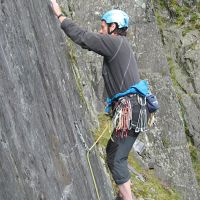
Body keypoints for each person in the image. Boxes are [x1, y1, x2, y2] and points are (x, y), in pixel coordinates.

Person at [51, 1, 141, 199]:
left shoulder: (115, 42)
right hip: (136, 109)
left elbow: (83, 38)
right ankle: (123, 195)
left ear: (113, 27)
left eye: (102, 27)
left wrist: (60, 16)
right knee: (115, 152)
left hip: (131, 109)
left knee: (116, 158)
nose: (100, 31)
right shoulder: (120, 45)